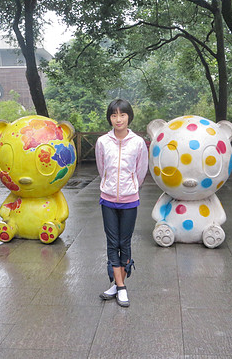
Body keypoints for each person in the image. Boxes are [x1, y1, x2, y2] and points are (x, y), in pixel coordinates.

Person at [95, 99, 148, 307]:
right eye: (114, 115)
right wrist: (109, 184)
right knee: (111, 243)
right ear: (110, 117)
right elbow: (102, 168)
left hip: (129, 200)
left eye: (122, 115)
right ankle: (121, 287)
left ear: (129, 117)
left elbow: (141, 170)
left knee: (124, 244)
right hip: (107, 199)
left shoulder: (138, 142)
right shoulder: (102, 142)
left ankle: (118, 285)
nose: (118, 119)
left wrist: (132, 187)